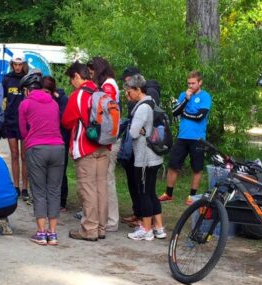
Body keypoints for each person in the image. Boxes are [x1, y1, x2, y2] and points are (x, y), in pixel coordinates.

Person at [62, 61, 109, 241]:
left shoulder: (79, 95)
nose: (71, 83)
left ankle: (89, 229)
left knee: (87, 188)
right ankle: (101, 228)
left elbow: (66, 121)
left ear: (77, 76)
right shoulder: (100, 92)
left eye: (71, 79)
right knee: (101, 188)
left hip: (85, 146)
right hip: (104, 146)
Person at [18, 73, 65, 245]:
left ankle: (41, 232)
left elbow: (23, 131)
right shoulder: (53, 102)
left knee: (38, 191)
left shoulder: (25, 103)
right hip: (58, 148)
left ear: (26, 90)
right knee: (54, 190)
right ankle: (53, 234)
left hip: (37, 148)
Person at [123, 74, 166, 240]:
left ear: (138, 89)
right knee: (151, 192)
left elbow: (133, 132)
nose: (128, 95)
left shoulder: (142, 107)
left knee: (144, 193)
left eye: (129, 91)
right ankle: (159, 228)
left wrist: (139, 130)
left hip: (144, 158)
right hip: (155, 157)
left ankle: (146, 230)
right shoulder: (152, 102)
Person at [159, 70, 212, 205]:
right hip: (183, 136)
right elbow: (175, 112)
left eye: (193, 83)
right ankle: (168, 194)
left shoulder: (205, 97)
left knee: (197, 168)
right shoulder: (184, 95)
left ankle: (192, 197)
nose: (190, 86)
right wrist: (186, 100)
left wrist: (185, 114)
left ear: (200, 82)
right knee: (173, 164)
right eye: (189, 83)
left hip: (198, 138)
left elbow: (200, 116)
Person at [87, 57, 120, 232]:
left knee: (107, 180)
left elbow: (107, 113)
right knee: (104, 179)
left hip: (108, 140)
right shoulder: (109, 84)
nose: (90, 75)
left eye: (92, 71)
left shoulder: (108, 86)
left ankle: (111, 220)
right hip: (108, 138)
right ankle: (103, 217)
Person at [2, 52, 30, 201]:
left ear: (24, 65)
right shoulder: (7, 79)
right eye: (15, 64)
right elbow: (3, 99)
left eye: (20, 64)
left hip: (25, 122)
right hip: (11, 121)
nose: (18, 67)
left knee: (24, 156)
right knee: (14, 154)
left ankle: (25, 187)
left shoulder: (28, 79)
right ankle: (16, 186)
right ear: (12, 64)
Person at [41, 76, 70, 211]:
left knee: (60, 171)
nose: (45, 95)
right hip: (46, 138)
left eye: (47, 92)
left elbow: (63, 119)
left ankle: (61, 201)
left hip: (61, 138)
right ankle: (49, 198)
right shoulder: (41, 100)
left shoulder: (62, 100)